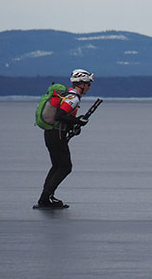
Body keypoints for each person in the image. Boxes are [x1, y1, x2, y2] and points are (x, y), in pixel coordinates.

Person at [37, 69, 94, 208]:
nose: (89, 87)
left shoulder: (69, 96)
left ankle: (45, 197)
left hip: (51, 133)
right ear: (81, 84)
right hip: (57, 134)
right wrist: (77, 121)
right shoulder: (73, 97)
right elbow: (60, 115)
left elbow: (63, 117)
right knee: (65, 167)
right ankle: (45, 199)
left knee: (57, 166)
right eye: (88, 84)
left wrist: (74, 124)